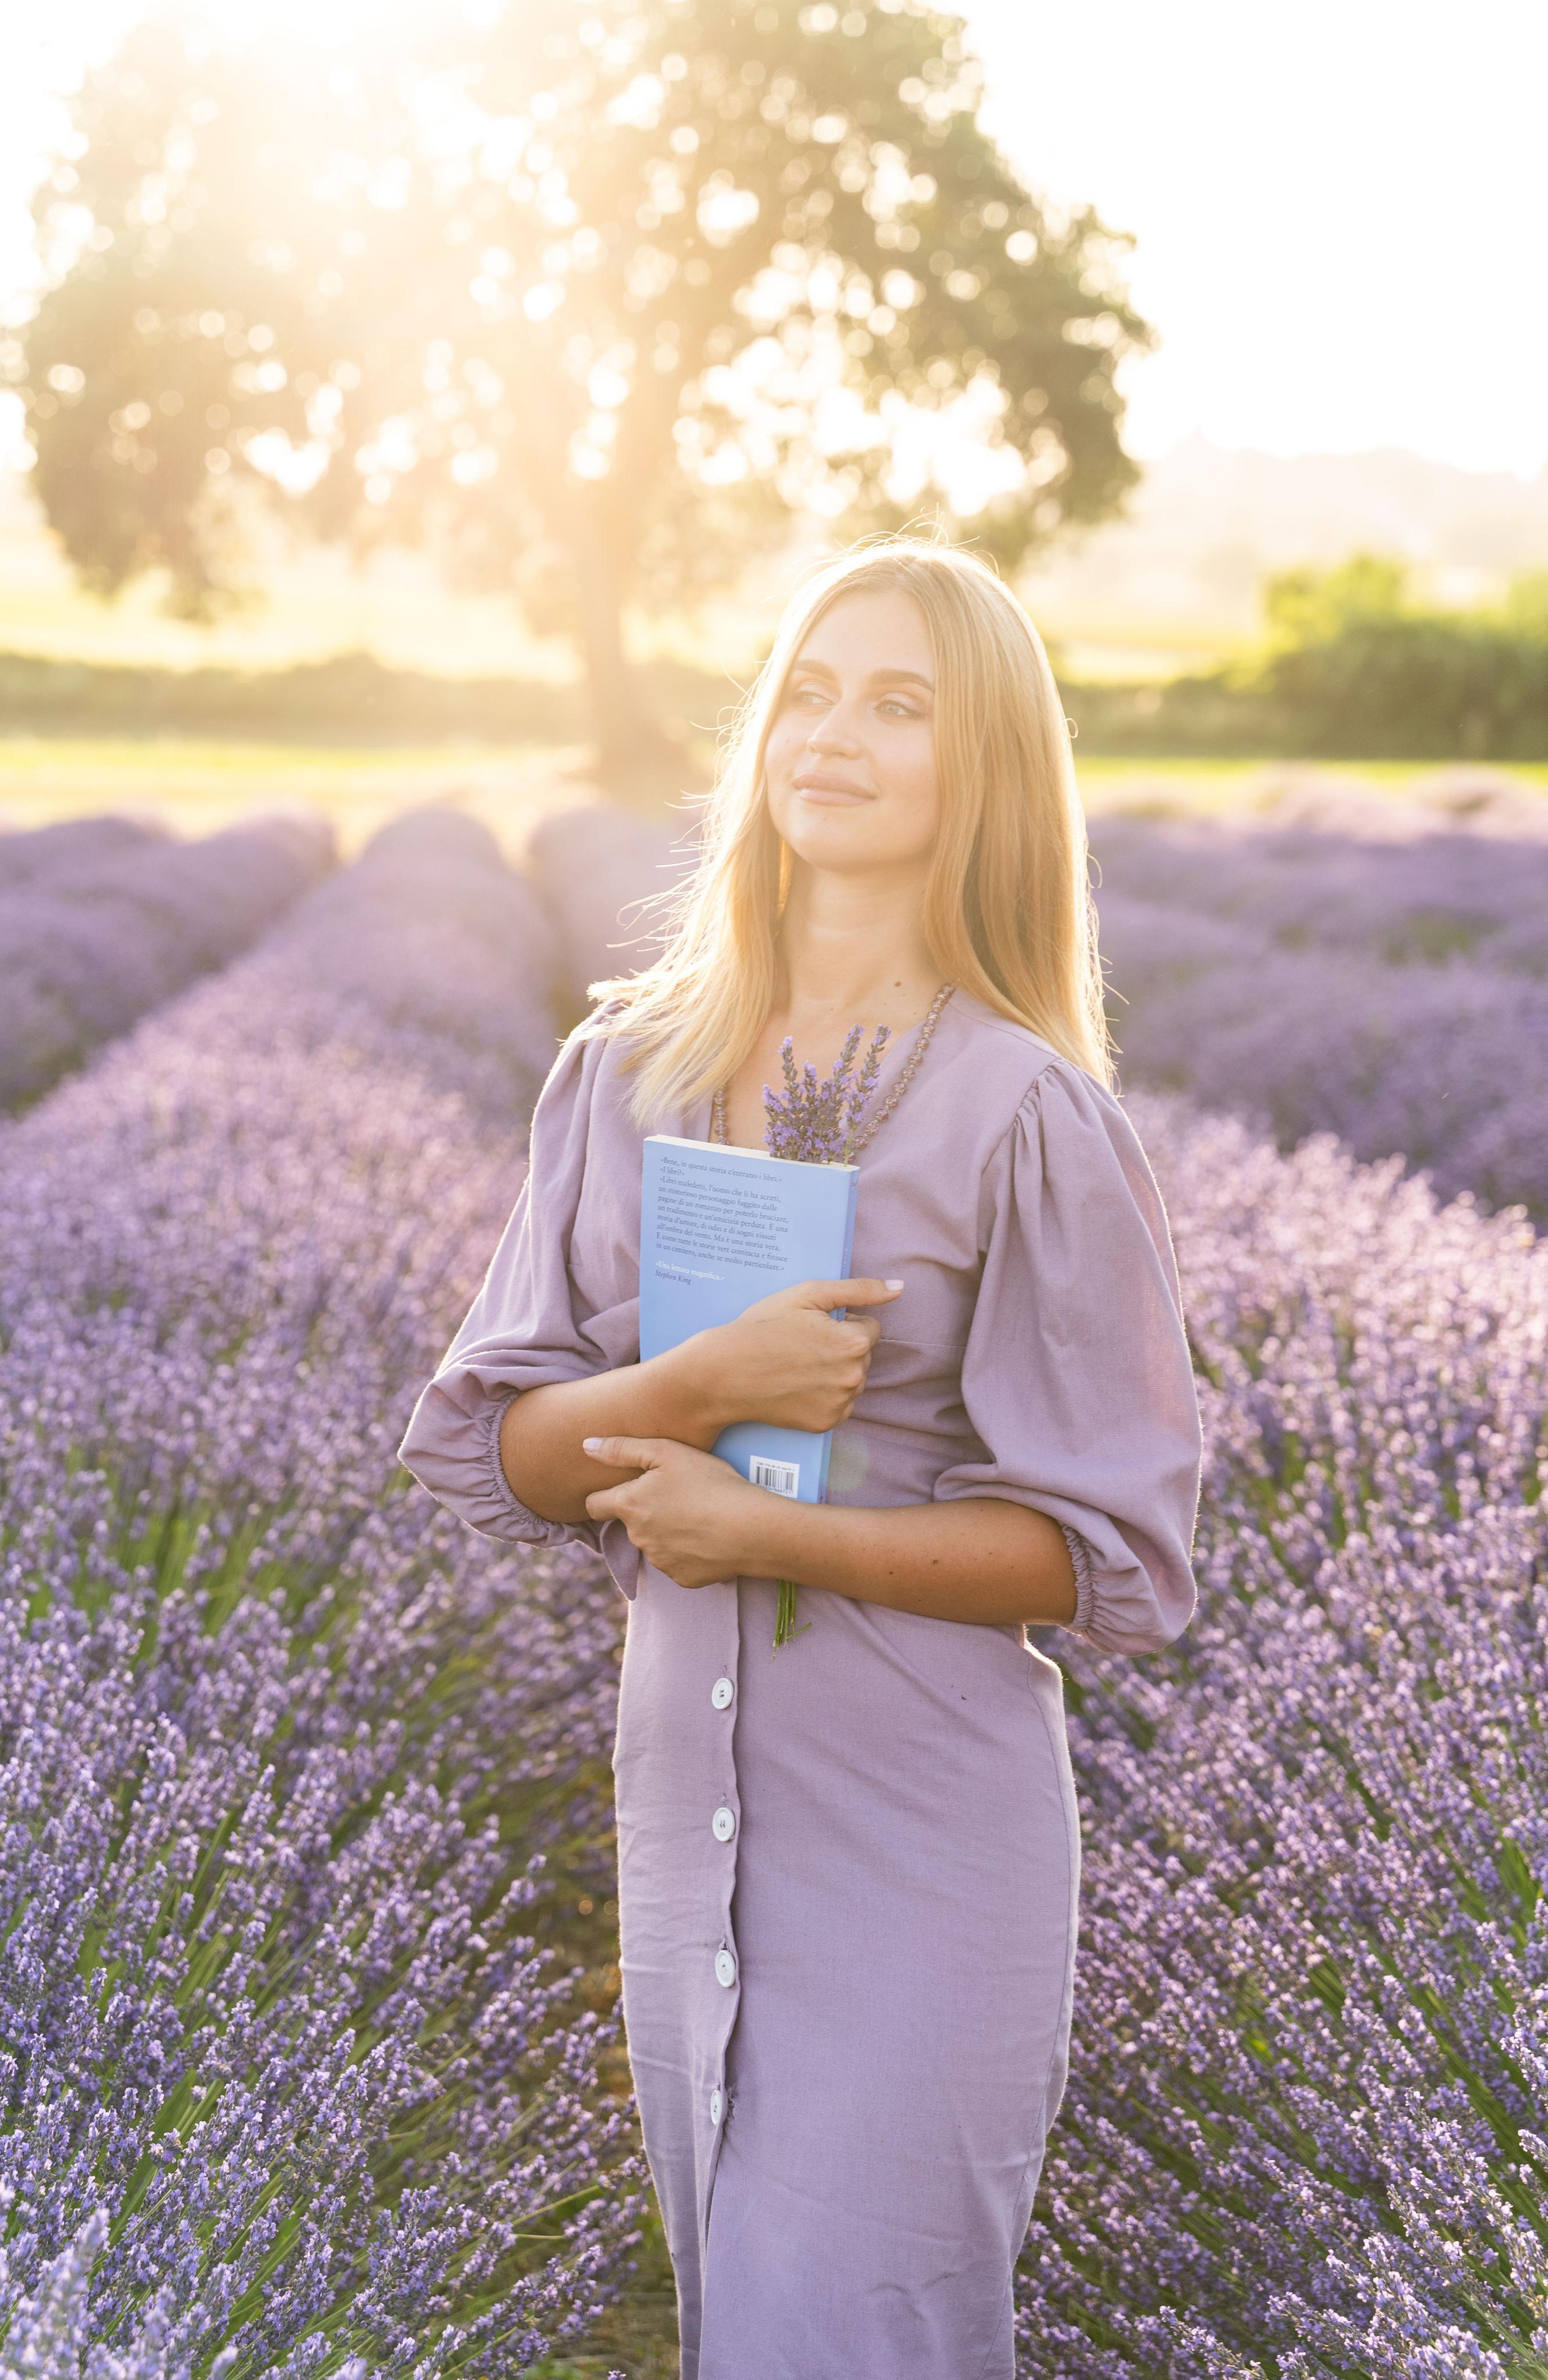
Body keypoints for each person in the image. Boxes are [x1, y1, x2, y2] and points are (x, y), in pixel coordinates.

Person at [400, 539, 1202, 2380]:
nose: (834, 735)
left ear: (979, 767)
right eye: (813, 690)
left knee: (847, 2330)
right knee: (744, 2322)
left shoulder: (1028, 1112)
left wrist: (777, 1531)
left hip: (928, 1819)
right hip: (682, 1798)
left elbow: (1118, 1559)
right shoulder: (623, 1073)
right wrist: (696, 1384)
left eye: (901, 705)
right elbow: (501, 1447)